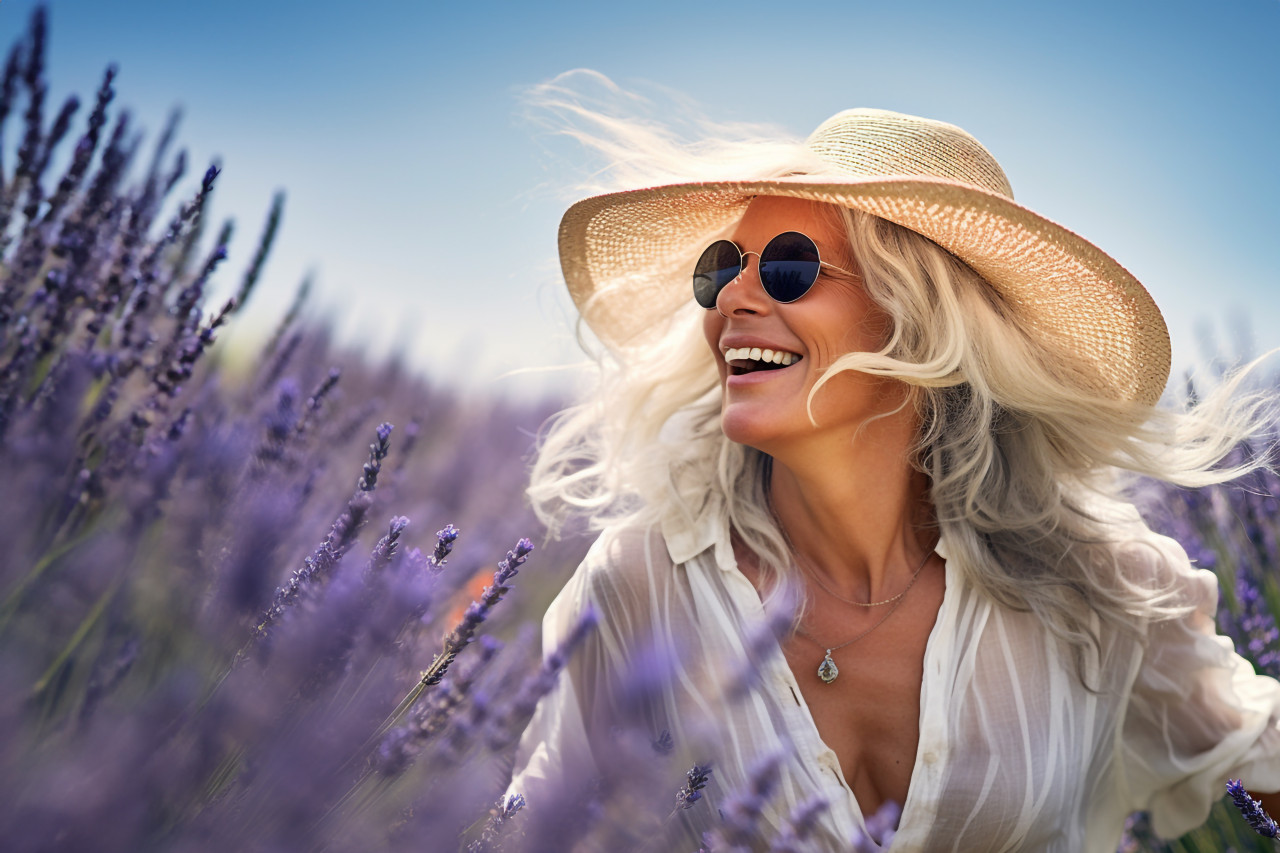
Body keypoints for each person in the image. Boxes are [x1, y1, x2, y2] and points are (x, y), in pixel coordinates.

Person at [508, 92, 1280, 851]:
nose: (733, 296)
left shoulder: (1097, 584)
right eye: (721, 268)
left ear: (919, 323)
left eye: (787, 266)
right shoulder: (643, 580)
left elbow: (1261, 759)